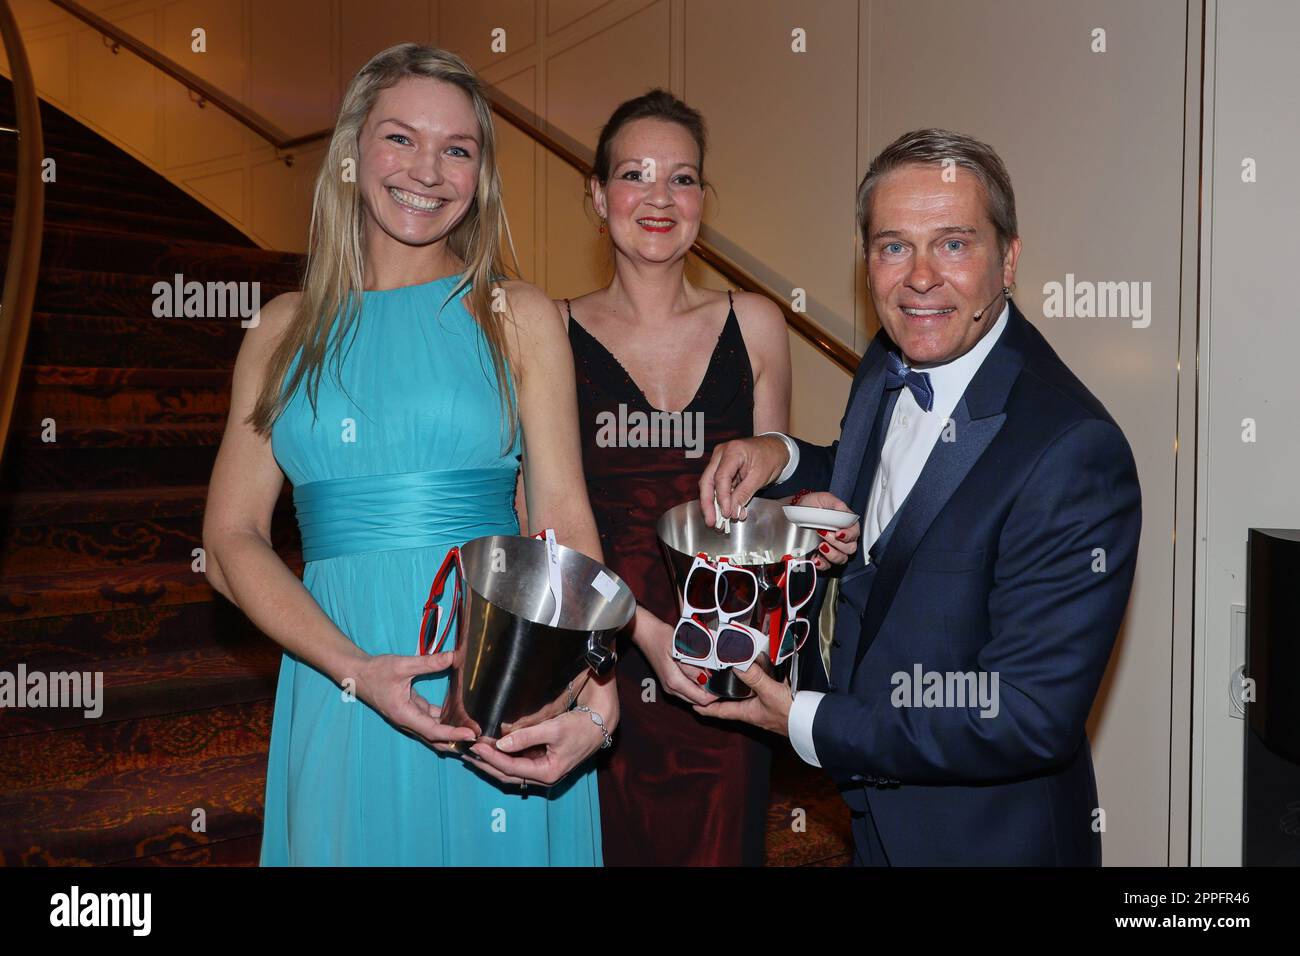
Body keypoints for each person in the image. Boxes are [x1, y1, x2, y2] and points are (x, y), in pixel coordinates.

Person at [202, 43, 614, 866]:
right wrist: (357, 668)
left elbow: (561, 519)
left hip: (497, 677)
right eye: (400, 138)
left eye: (456, 149)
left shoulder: (517, 315)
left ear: (480, 174)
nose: (427, 170)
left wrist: (595, 700)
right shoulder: (281, 329)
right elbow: (229, 542)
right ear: (353, 150)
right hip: (339, 682)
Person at [697, 128, 1142, 866]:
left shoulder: (1074, 451)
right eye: (894, 246)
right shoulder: (889, 357)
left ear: (1010, 258)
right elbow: (897, 483)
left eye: (955, 244)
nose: (921, 279)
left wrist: (809, 720)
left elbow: (1027, 716)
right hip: (872, 817)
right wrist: (783, 454)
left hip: (985, 838)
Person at [560, 89, 792, 865]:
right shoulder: (547, 332)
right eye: (635, 174)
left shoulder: (756, 322)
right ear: (597, 195)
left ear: (703, 200)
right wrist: (640, 633)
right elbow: (544, 516)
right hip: (599, 657)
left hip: (720, 658)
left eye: (683, 179)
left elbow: (771, 505)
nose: (660, 198)